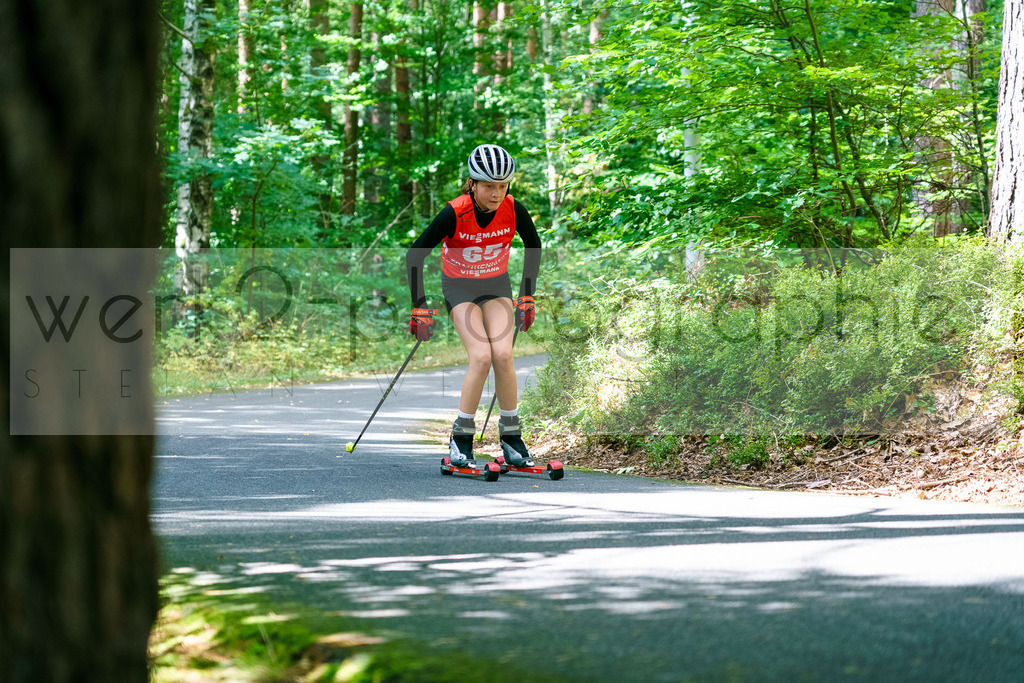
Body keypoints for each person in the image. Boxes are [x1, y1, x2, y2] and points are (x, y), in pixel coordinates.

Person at [405, 144, 541, 468]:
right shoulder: (454, 212)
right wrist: (419, 305)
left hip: (496, 286)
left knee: (504, 355)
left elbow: (533, 244)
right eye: (489, 186)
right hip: (460, 287)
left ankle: (511, 437)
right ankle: (461, 438)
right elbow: (415, 254)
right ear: (472, 183)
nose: (496, 193)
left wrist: (527, 294)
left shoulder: (513, 208)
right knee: (481, 356)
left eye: (502, 186)